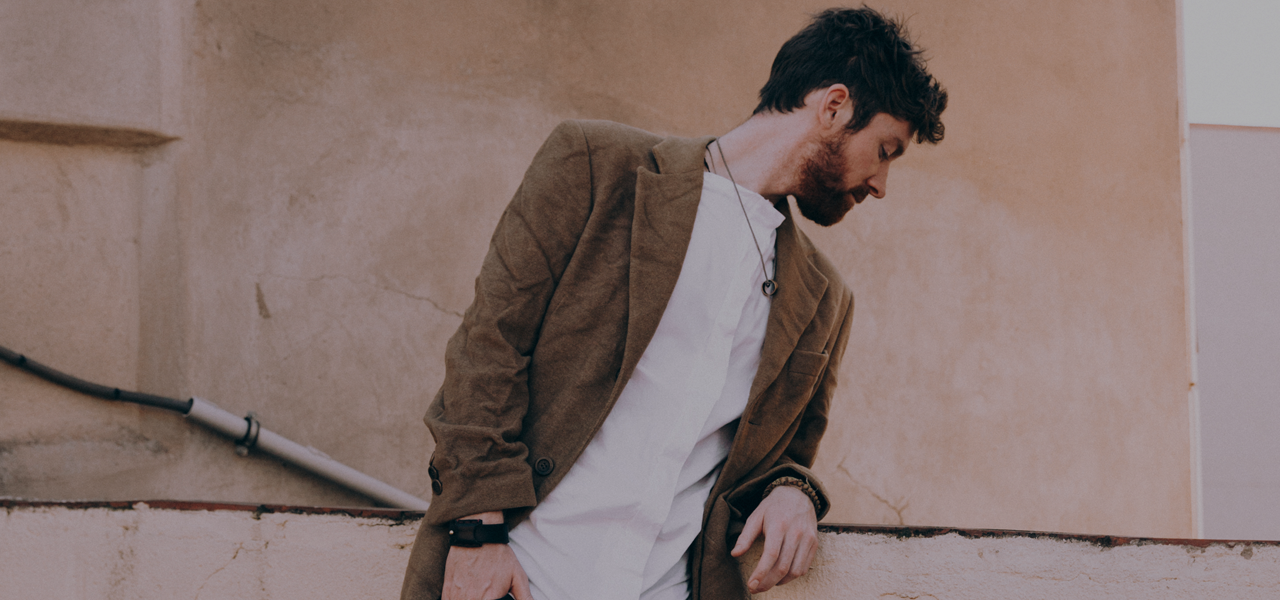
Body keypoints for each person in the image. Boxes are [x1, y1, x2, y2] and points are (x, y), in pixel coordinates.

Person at [401, 7, 947, 600]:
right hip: (515, 578)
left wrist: (797, 491)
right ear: (834, 106)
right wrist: (478, 537)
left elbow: (779, 458)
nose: (881, 185)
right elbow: (489, 349)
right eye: (886, 149)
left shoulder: (824, 301)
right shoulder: (594, 166)